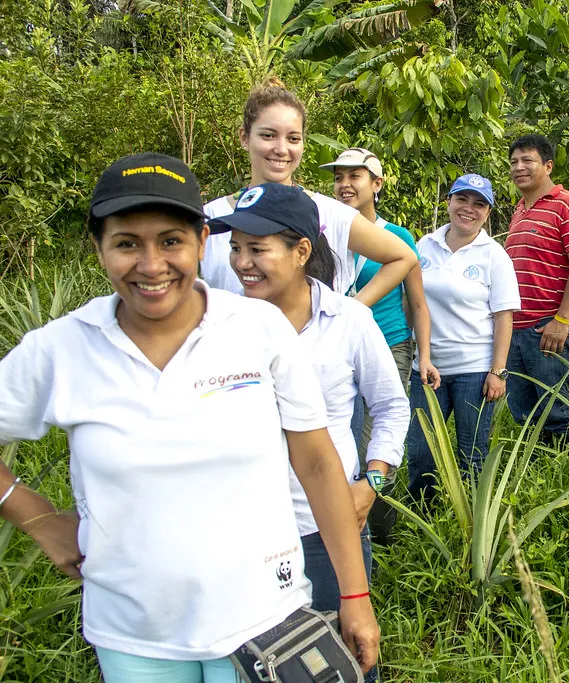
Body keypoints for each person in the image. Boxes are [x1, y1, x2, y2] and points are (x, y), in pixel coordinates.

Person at [0, 154, 378, 682]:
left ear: (203, 241)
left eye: (171, 241)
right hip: (135, 635)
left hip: (263, 622)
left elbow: (317, 461)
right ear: (99, 247)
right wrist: (36, 518)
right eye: (127, 242)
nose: (152, 265)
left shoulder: (257, 329)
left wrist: (354, 595)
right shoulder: (61, 350)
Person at [212, 183, 406, 683]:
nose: (241, 263)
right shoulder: (220, 326)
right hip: (247, 533)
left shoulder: (350, 322)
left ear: (302, 251)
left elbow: (390, 406)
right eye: (235, 248)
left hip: (326, 527)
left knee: (344, 660)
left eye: (257, 249)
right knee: (264, 664)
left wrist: (373, 481)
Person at [201, 78, 417, 304]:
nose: (281, 149)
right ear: (244, 138)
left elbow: (403, 256)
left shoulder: (331, 213)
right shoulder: (213, 217)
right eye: (268, 135)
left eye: (293, 138)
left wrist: (347, 315)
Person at [320, 147, 439, 545]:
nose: (344, 184)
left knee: (376, 438)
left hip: (387, 344)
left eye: (355, 176)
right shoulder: (324, 232)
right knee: (341, 434)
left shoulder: (398, 238)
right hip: (335, 347)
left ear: (377, 184)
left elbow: (418, 304)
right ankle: (337, 525)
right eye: (339, 177)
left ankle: (377, 531)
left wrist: (424, 355)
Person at [406, 174, 520, 504]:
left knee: (471, 451)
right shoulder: (424, 245)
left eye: (478, 203)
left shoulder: (493, 255)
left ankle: (471, 519)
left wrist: (498, 371)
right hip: (426, 367)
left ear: (487, 212)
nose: (468, 209)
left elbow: (504, 317)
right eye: (462, 199)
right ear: (449, 201)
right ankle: (421, 517)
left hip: (474, 370)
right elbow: (411, 301)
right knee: (421, 451)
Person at [505, 134, 569, 445]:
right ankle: (539, 476)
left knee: (560, 413)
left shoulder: (566, 204)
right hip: (515, 329)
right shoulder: (519, 209)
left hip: (548, 327)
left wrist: (563, 320)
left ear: (548, 165)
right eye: (514, 162)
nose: (519, 167)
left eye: (527, 160)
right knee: (524, 412)